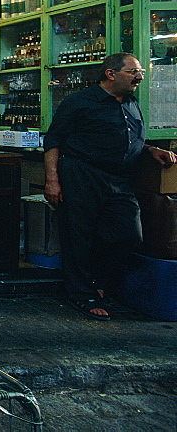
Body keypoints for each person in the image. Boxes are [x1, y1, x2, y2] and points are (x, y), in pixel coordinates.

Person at [44, 52, 176, 320]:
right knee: (79, 236)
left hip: (120, 179)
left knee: (128, 234)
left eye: (140, 72)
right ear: (111, 74)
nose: (139, 76)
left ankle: (99, 281)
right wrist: (52, 181)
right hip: (82, 174)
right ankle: (83, 294)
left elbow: (129, 138)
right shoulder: (80, 102)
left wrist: (149, 149)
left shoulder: (131, 102)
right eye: (133, 72)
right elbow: (53, 141)